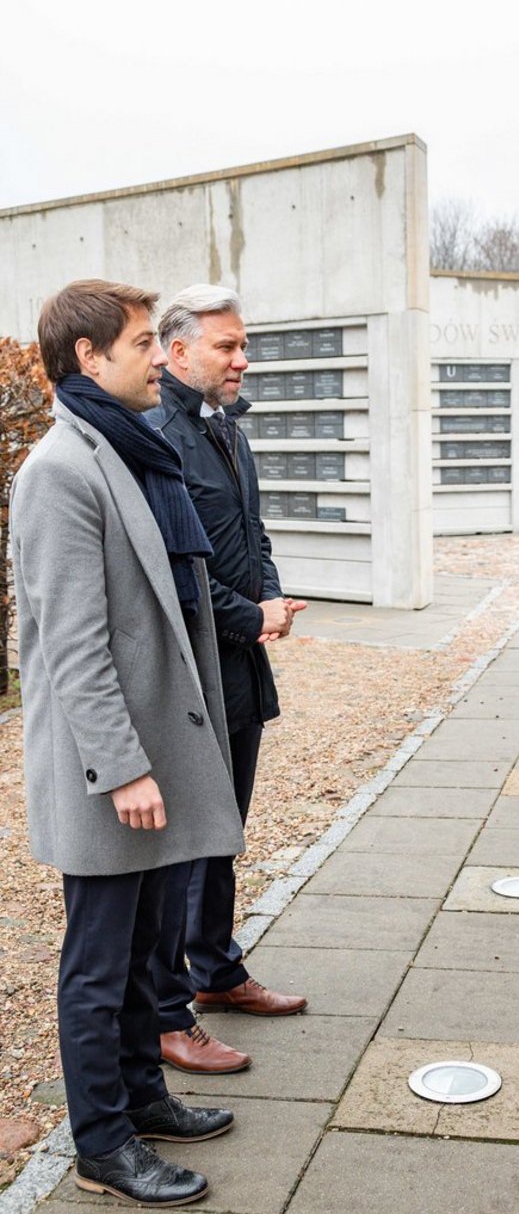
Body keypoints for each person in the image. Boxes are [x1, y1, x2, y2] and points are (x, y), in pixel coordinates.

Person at [10, 279, 246, 1206]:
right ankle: (103, 1143)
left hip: (154, 755)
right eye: (144, 342)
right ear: (88, 356)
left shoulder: (126, 448)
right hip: (111, 768)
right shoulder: (59, 470)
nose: (160, 356)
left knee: (149, 948)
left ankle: (144, 1096)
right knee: (100, 962)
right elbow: (73, 644)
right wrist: (123, 767)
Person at [145, 284, 307, 1076]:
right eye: (227, 346)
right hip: (190, 676)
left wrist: (269, 600)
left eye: (244, 344)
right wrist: (251, 614)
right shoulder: (158, 437)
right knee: (182, 846)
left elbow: (253, 532)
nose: (243, 358)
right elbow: (175, 571)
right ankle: (167, 1014)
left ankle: (216, 970)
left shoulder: (228, 429)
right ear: (177, 352)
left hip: (238, 663)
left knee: (223, 832)